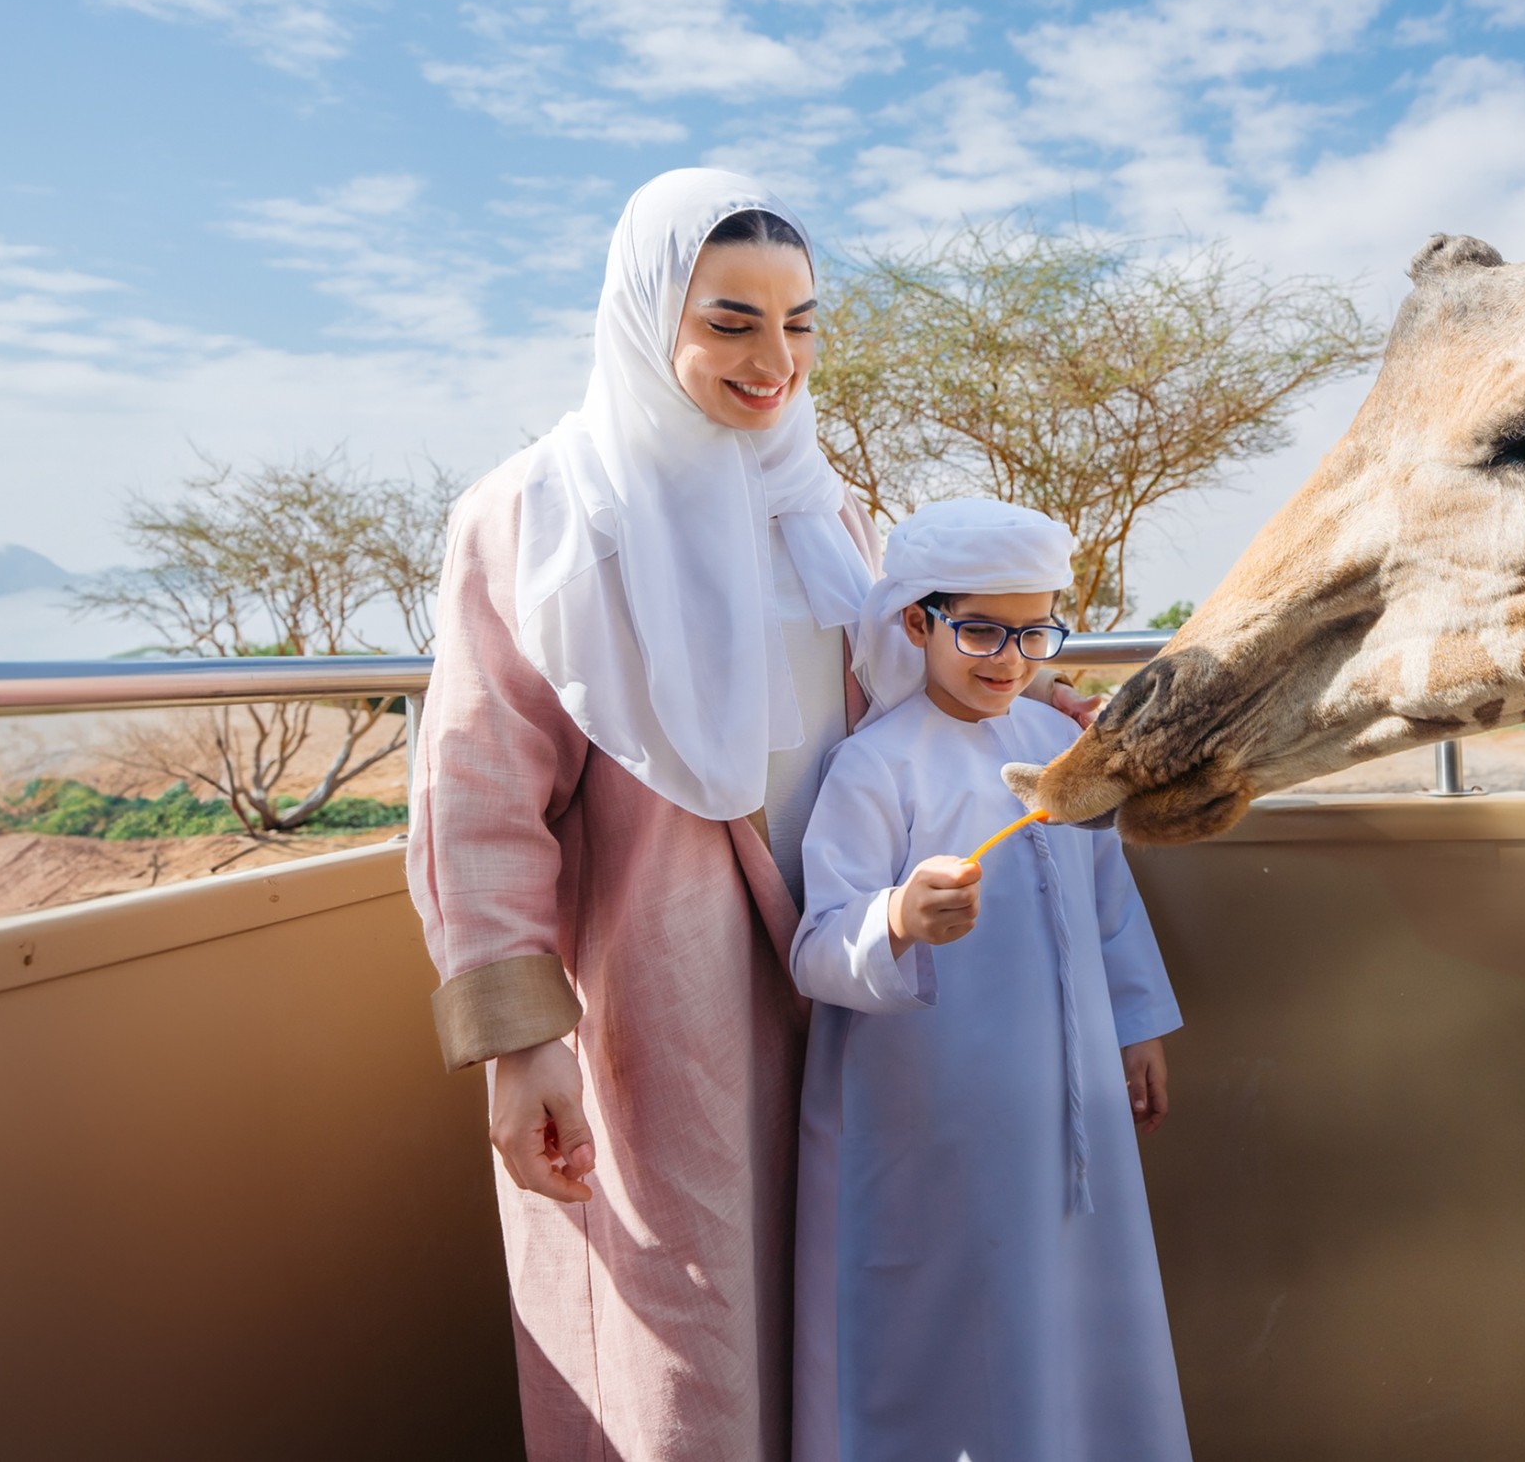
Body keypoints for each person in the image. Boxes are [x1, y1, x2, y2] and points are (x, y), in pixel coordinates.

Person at [410, 170, 1055, 1460]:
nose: (775, 361)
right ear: (649, 316)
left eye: (799, 322)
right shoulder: (534, 511)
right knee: (679, 1331)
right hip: (653, 989)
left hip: (835, 956)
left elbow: (898, 685)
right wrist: (520, 1041)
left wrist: (1035, 700)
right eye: (731, 321)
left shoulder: (819, 505)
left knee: (835, 1301)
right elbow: (476, 793)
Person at [791, 498, 1190, 1462]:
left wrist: (1137, 1026)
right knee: (954, 1311)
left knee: (1072, 1301)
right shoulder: (873, 767)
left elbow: (1109, 900)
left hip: (1069, 1102)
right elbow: (817, 945)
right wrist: (898, 917)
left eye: (1034, 631)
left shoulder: (1057, 750)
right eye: (980, 631)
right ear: (916, 622)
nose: (1009, 660)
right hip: (935, 1114)